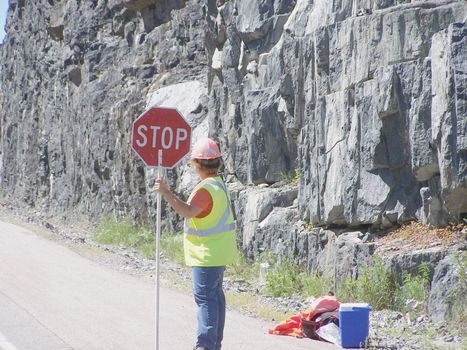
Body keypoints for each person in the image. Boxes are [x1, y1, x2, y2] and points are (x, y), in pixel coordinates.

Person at [154, 137, 238, 350]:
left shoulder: (205, 190)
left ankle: (206, 345)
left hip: (206, 254)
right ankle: (214, 343)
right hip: (218, 252)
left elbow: (187, 211)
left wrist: (165, 193)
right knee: (216, 297)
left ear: (197, 164)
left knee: (206, 299)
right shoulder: (219, 185)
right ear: (218, 162)